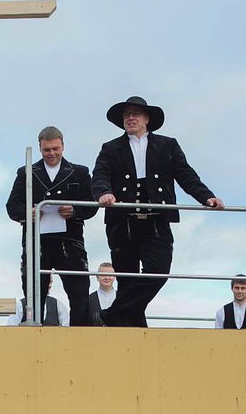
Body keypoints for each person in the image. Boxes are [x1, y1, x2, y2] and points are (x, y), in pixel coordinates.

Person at [91, 96, 225, 327]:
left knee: (158, 272)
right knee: (127, 280)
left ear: (147, 118)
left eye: (135, 113)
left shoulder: (167, 145)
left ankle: (110, 315)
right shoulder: (111, 148)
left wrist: (207, 197)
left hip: (156, 220)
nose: (130, 118)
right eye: (126, 115)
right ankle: (132, 328)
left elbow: (186, 175)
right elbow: (100, 175)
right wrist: (104, 192)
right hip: (123, 222)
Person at [6, 126, 98, 326]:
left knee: (79, 291)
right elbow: (12, 207)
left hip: (70, 242)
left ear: (63, 145)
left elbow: (92, 205)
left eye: (55, 148)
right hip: (36, 243)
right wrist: (28, 213)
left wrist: (74, 210)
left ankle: (80, 335)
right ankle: (34, 332)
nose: (52, 154)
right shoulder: (26, 173)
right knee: (32, 292)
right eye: (47, 150)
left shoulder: (79, 172)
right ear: (40, 148)